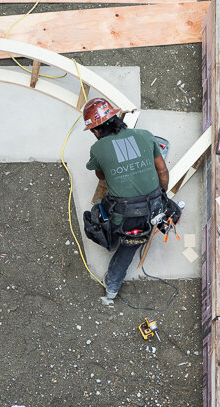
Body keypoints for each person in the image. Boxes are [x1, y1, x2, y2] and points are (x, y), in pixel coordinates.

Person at [82, 97, 172, 304]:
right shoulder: (146, 136)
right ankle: (112, 287)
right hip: (153, 209)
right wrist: (162, 195)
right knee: (133, 243)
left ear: (96, 131)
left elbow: (101, 176)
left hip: (123, 216)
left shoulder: (98, 149)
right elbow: (162, 170)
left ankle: (112, 243)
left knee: (97, 211)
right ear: (116, 118)